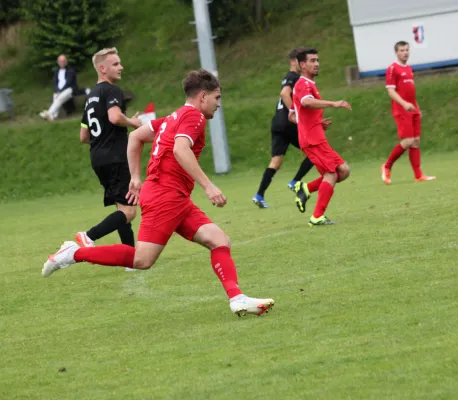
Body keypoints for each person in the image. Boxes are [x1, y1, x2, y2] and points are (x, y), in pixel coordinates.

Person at [42, 69, 275, 317]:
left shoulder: (173, 117)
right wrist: (209, 186)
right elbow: (180, 150)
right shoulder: (193, 117)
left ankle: (237, 299)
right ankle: (73, 253)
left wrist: (135, 178)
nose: (219, 104)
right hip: (166, 195)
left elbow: (135, 137)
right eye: (217, 98)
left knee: (218, 240)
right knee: (142, 260)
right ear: (203, 96)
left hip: (173, 196)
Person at [76, 48, 142, 263]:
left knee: (122, 208)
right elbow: (114, 117)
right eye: (115, 64)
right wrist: (133, 123)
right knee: (130, 211)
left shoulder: (90, 97)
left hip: (98, 158)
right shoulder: (112, 90)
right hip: (116, 157)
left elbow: (83, 135)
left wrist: (103, 139)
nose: (121, 67)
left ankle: (131, 256)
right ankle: (88, 236)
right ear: (102, 69)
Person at [290, 48, 351, 227]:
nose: (316, 64)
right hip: (312, 140)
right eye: (312, 61)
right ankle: (317, 216)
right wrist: (334, 103)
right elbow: (306, 102)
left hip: (316, 135)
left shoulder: (309, 84)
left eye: (317, 60)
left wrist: (316, 122)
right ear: (302, 65)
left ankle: (306, 188)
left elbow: (292, 116)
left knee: (344, 171)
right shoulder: (302, 84)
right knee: (331, 173)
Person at [252, 48, 314, 209]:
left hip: (277, 124)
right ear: (294, 62)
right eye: (300, 61)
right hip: (288, 123)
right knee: (314, 151)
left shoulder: (288, 78)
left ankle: (259, 195)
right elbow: (285, 94)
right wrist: (295, 113)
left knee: (276, 161)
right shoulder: (294, 77)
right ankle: (295, 182)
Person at [381, 41, 436, 185]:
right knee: (408, 141)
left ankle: (418, 175)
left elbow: (411, 91)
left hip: (413, 109)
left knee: (416, 141)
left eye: (407, 50)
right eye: (402, 50)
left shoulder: (409, 69)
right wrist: (404, 104)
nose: (405, 52)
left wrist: (417, 107)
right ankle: (387, 166)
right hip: (401, 109)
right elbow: (390, 91)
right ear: (396, 52)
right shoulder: (393, 69)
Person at [39, 54, 88, 121]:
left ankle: (49, 112)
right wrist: (57, 91)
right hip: (59, 91)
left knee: (59, 97)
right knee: (55, 96)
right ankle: (52, 117)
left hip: (70, 90)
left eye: (63, 61)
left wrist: (60, 92)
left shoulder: (71, 71)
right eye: (60, 61)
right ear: (58, 62)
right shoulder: (56, 71)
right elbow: (55, 83)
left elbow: (68, 83)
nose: (62, 62)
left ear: (66, 62)